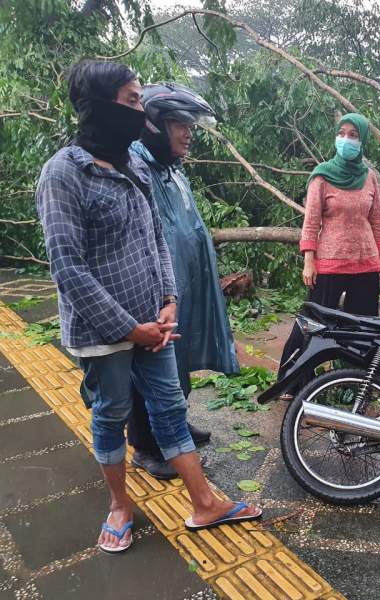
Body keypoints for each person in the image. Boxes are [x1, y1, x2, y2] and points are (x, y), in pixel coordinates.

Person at [36, 60, 261, 554]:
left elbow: (155, 238)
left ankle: (205, 502)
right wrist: (128, 329)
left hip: (154, 325)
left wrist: (169, 302)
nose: (141, 113)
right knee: (111, 411)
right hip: (103, 334)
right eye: (132, 101)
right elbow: (68, 268)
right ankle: (120, 506)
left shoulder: (133, 165)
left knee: (169, 409)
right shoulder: (62, 175)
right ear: (98, 106)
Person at [123, 83, 239, 479]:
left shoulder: (171, 169)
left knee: (178, 358)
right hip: (152, 290)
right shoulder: (136, 167)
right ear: (154, 125)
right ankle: (145, 445)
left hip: (181, 284)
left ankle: (175, 425)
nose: (189, 132)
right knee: (149, 363)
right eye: (180, 124)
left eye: (191, 124)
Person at [277, 113, 380, 384]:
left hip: (366, 263)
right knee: (312, 322)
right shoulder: (322, 176)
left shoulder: (369, 177)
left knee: (363, 329)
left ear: (362, 141)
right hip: (329, 263)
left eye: (353, 135)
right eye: (342, 133)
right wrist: (308, 261)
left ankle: (353, 381)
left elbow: (377, 221)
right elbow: (311, 221)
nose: (346, 139)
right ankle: (293, 379)